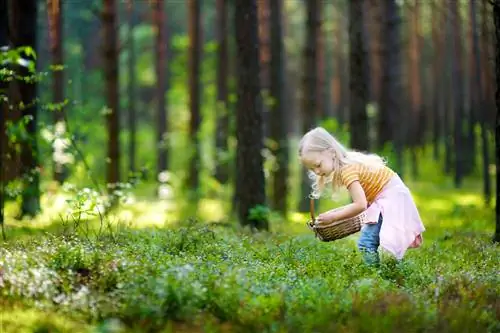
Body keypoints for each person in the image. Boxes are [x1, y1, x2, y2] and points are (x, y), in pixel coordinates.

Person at [298, 127, 425, 266]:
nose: (316, 171)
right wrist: (332, 214)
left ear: (331, 152)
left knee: (367, 242)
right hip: (390, 194)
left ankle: (376, 276)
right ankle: (389, 271)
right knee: (373, 238)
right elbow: (360, 203)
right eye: (311, 169)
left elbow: (360, 205)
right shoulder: (347, 164)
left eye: (318, 165)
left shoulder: (347, 171)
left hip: (391, 196)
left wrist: (333, 217)